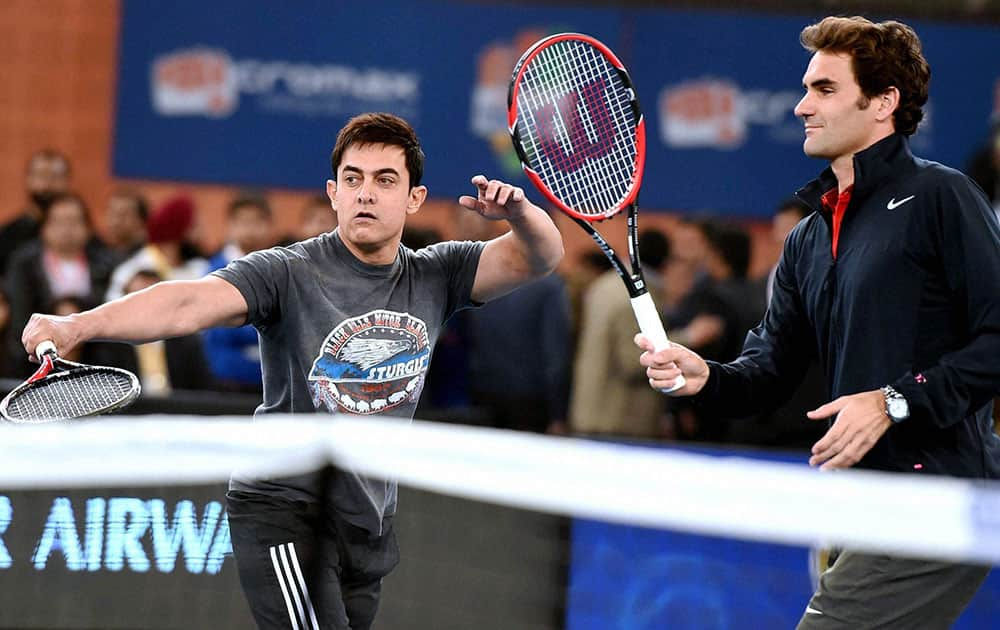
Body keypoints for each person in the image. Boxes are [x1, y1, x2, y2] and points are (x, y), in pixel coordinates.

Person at [19, 112, 563, 630]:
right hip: (284, 507)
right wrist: (78, 327)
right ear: (333, 193)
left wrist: (519, 212)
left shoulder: (437, 274)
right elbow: (186, 303)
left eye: (384, 180)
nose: (365, 192)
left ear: (414, 198)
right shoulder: (287, 270)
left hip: (368, 521)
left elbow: (540, 256)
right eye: (351, 179)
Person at [635, 17, 1000, 628]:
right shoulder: (808, 238)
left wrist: (892, 403)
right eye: (806, 87)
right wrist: (708, 377)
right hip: (852, 500)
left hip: (936, 498)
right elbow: (770, 367)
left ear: (884, 102)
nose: (803, 105)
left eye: (825, 89)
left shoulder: (943, 197)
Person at [569, 230, 671, 440]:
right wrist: (689, 339)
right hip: (618, 420)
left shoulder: (604, 285)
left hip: (591, 412)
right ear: (666, 262)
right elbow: (634, 361)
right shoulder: (637, 299)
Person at [5, 192, 117, 377]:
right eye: (59, 222)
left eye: (74, 221)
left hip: (93, 361)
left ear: (88, 228)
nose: (67, 229)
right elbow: (19, 318)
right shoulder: (24, 265)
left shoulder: (106, 265)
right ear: (44, 228)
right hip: (34, 362)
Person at [202, 193, 277, 392]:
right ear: (230, 225)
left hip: (274, 380)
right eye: (243, 221)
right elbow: (220, 328)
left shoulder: (281, 267)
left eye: (256, 221)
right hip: (228, 378)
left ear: (269, 225)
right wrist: (265, 327)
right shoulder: (214, 270)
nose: (250, 229)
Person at [0, 149, 71, 274]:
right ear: (29, 179)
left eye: (54, 177)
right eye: (41, 175)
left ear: (67, 181)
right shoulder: (7, 236)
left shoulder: (81, 237)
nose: (47, 185)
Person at [102, 187, 150, 258]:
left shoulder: (150, 258)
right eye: (112, 213)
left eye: (123, 215)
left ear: (140, 221)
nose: (115, 222)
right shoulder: (99, 254)